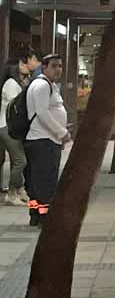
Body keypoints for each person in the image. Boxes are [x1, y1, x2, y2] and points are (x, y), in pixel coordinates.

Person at [24, 54, 71, 227]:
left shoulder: (46, 85)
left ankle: (36, 214)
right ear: (44, 67)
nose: (58, 69)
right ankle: (45, 217)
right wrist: (61, 133)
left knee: (37, 182)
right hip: (44, 141)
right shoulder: (42, 86)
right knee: (46, 182)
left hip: (43, 140)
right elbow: (43, 113)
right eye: (54, 66)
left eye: (60, 66)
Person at [0, 59, 30, 206]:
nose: (25, 66)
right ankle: (11, 193)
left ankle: (19, 190)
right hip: (6, 127)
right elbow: (16, 106)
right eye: (22, 64)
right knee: (20, 161)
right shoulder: (11, 83)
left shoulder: (17, 83)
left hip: (11, 128)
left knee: (16, 160)